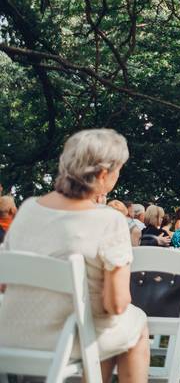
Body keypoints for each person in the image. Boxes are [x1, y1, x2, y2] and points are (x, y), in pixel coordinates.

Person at [0, 129, 149, 381]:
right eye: (118, 170)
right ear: (103, 174)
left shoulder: (26, 210)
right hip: (67, 337)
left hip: (11, 332)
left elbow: (4, 284)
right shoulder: (109, 220)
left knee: (105, 330)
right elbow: (116, 304)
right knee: (136, 324)